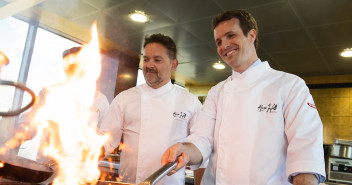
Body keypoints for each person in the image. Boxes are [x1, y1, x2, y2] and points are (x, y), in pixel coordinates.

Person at [161, 10, 326, 185]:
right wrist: (184, 150)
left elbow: (305, 148)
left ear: (251, 35)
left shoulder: (290, 85)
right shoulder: (217, 92)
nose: (224, 45)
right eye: (218, 41)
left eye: (231, 35)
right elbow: (201, 140)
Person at [99, 33, 202, 185]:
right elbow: (105, 141)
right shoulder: (125, 98)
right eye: (146, 59)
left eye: (157, 60)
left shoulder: (190, 102)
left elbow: (200, 149)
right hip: (129, 182)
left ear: (174, 65)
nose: (149, 65)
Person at [15, 46, 109, 162]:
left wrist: (99, 148)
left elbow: (105, 134)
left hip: (80, 168)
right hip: (48, 163)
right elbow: (30, 119)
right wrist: (20, 133)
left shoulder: (101, 100)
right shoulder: (49, 92)